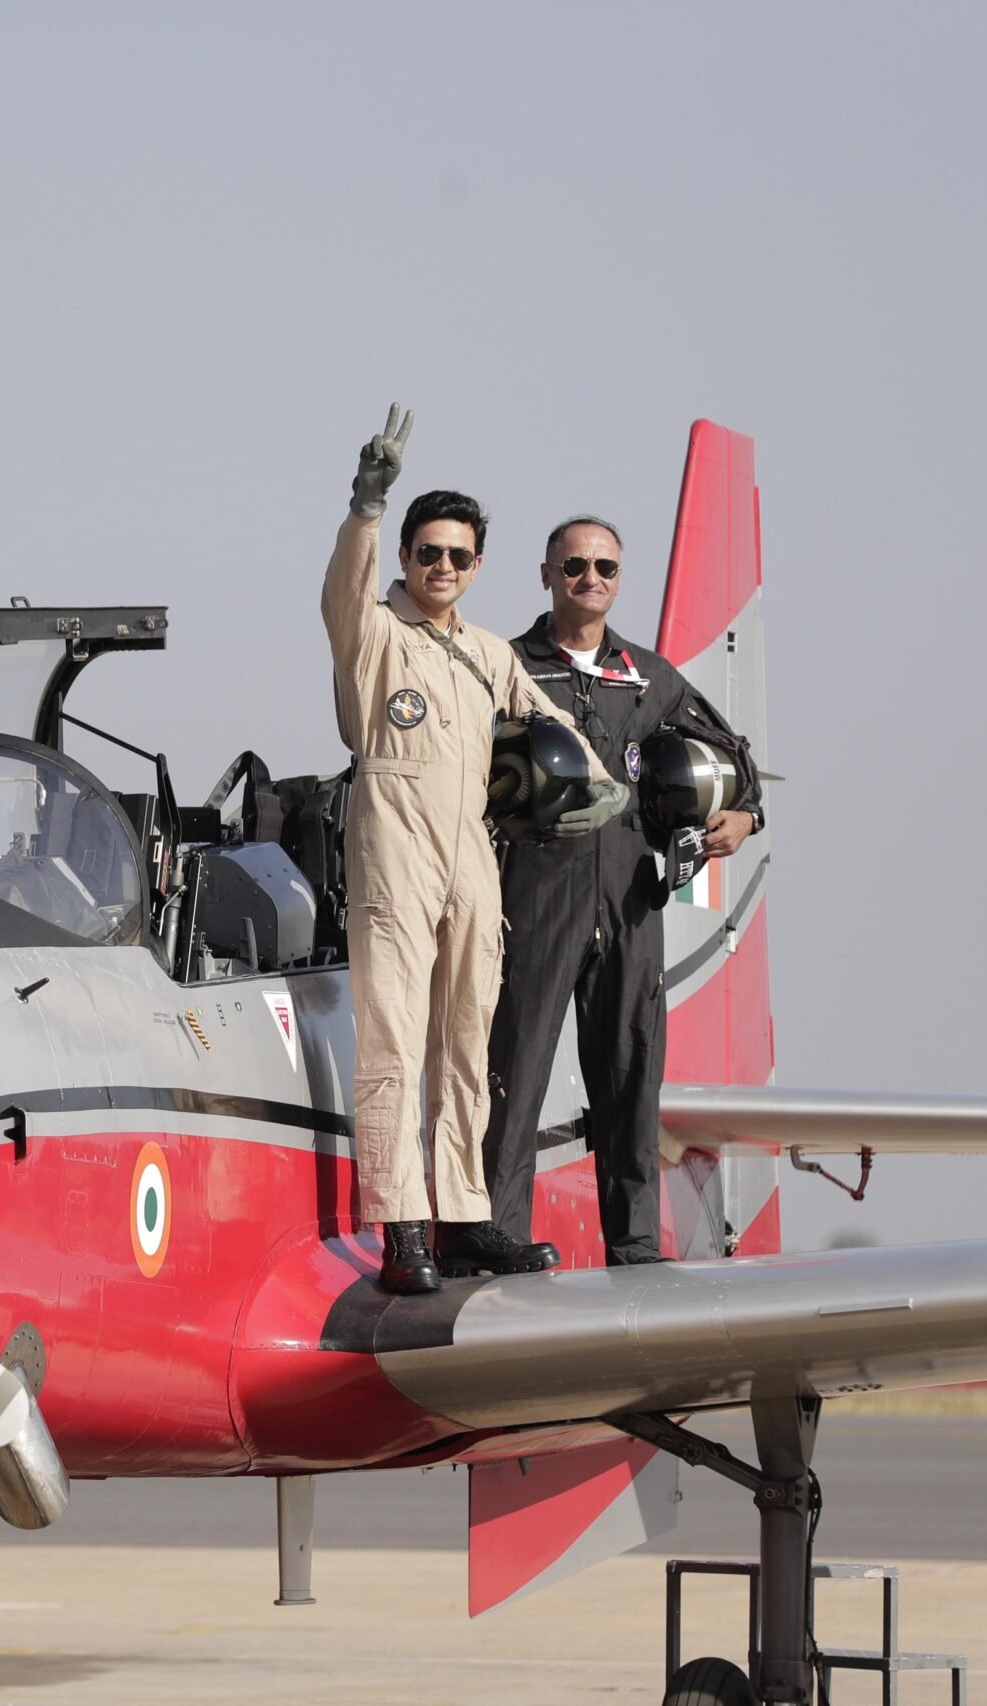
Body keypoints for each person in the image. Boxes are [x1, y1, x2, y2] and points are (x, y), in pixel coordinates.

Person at [321, 407, 616, 1294]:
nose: (442, 567)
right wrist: (366, 509)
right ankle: (402, 1226)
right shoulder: (374, 633)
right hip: (395, 848)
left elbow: (552, 719)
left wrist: (602, 788)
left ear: (477, 566)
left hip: (472, 858)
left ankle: (462, 1217)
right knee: (393, 1038)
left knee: (465, 1041)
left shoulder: (489, 653)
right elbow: (342, 591)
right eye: (428, 552)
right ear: (407, 556)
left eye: (457, 555)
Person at [483, 514, 764, 1266]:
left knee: (632, 1074)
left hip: (632, 900)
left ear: (618, 579)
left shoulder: (648, 676)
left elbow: (734, 756)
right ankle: (498, 1236)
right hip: (534, 899)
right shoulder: (505, 666)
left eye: (605, 568)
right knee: (515, 1069)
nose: (590, 580)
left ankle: (635, 1244)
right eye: (575, 566)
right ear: (547, 574)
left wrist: (745, 814)